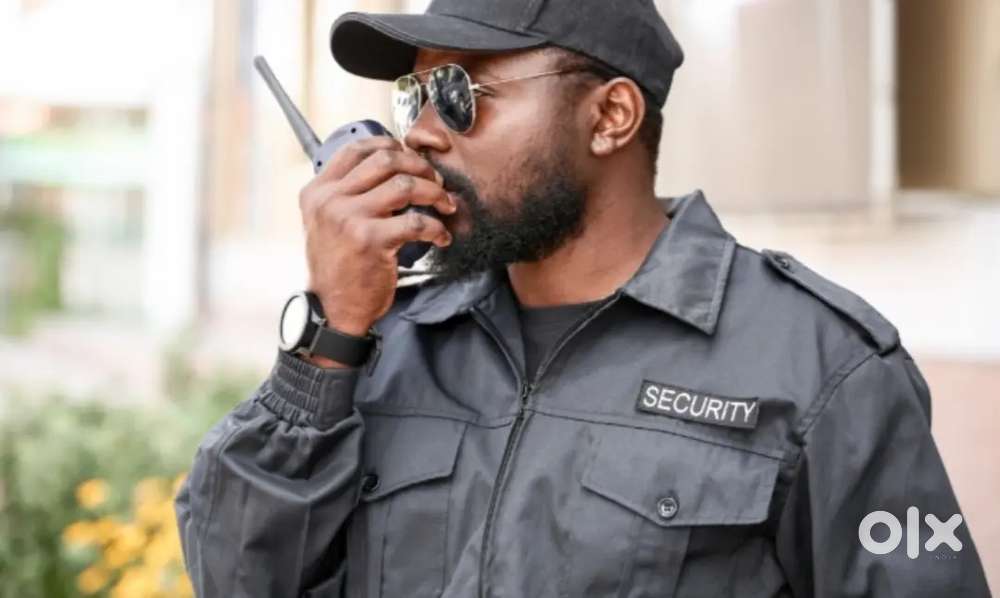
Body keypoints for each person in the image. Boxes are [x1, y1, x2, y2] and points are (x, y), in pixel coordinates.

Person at [174, 1, 991, 596]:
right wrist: (328, 334)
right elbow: (237, 576)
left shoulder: (822, 367)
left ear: (610, 116)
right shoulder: (386, 339)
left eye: (460, 93)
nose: (420, 132)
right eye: (413, 97)